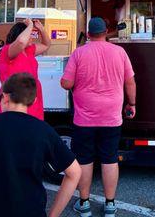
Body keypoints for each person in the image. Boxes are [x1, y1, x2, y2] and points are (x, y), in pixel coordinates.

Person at [61, 17, 136, 217]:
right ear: (106, 32)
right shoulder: (120, 52)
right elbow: (130, 82)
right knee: (110, 158)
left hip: (84, 118)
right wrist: (132, 104)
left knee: (84, 159)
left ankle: (84, 204)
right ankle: (110, 205)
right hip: (111, 116)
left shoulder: (78, 53)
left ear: (88, 34)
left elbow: (67, 83)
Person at [0, 72, 81, 217]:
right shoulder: (43, 130)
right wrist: (53, 215)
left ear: (5, 97)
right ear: (34, 101)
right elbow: (75, 172)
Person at [0, 18, 51, 120]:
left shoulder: (29, 50)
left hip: (32, 98)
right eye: (29, 34)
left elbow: (46, 44)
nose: (31, 37)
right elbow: (21, 42)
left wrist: (41, 29)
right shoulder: (8, 51)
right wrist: (30, 25)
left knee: (33, 129)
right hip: (15, 101)